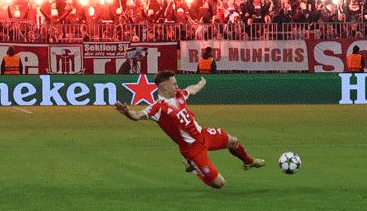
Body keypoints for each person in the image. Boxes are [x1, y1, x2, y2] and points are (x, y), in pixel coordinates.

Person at [113, 71, 265, 189]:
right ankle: (193, 167)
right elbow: (137, 115)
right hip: (192, 149)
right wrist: (127, 112)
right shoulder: (157, 108)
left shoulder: (179, 95)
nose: (177, 87)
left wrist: (201, 84)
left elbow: (190, 90)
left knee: (233, 141)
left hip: (203, 134)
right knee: (219, 184)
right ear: (164, 87)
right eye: (174, 84)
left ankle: (249, 162)